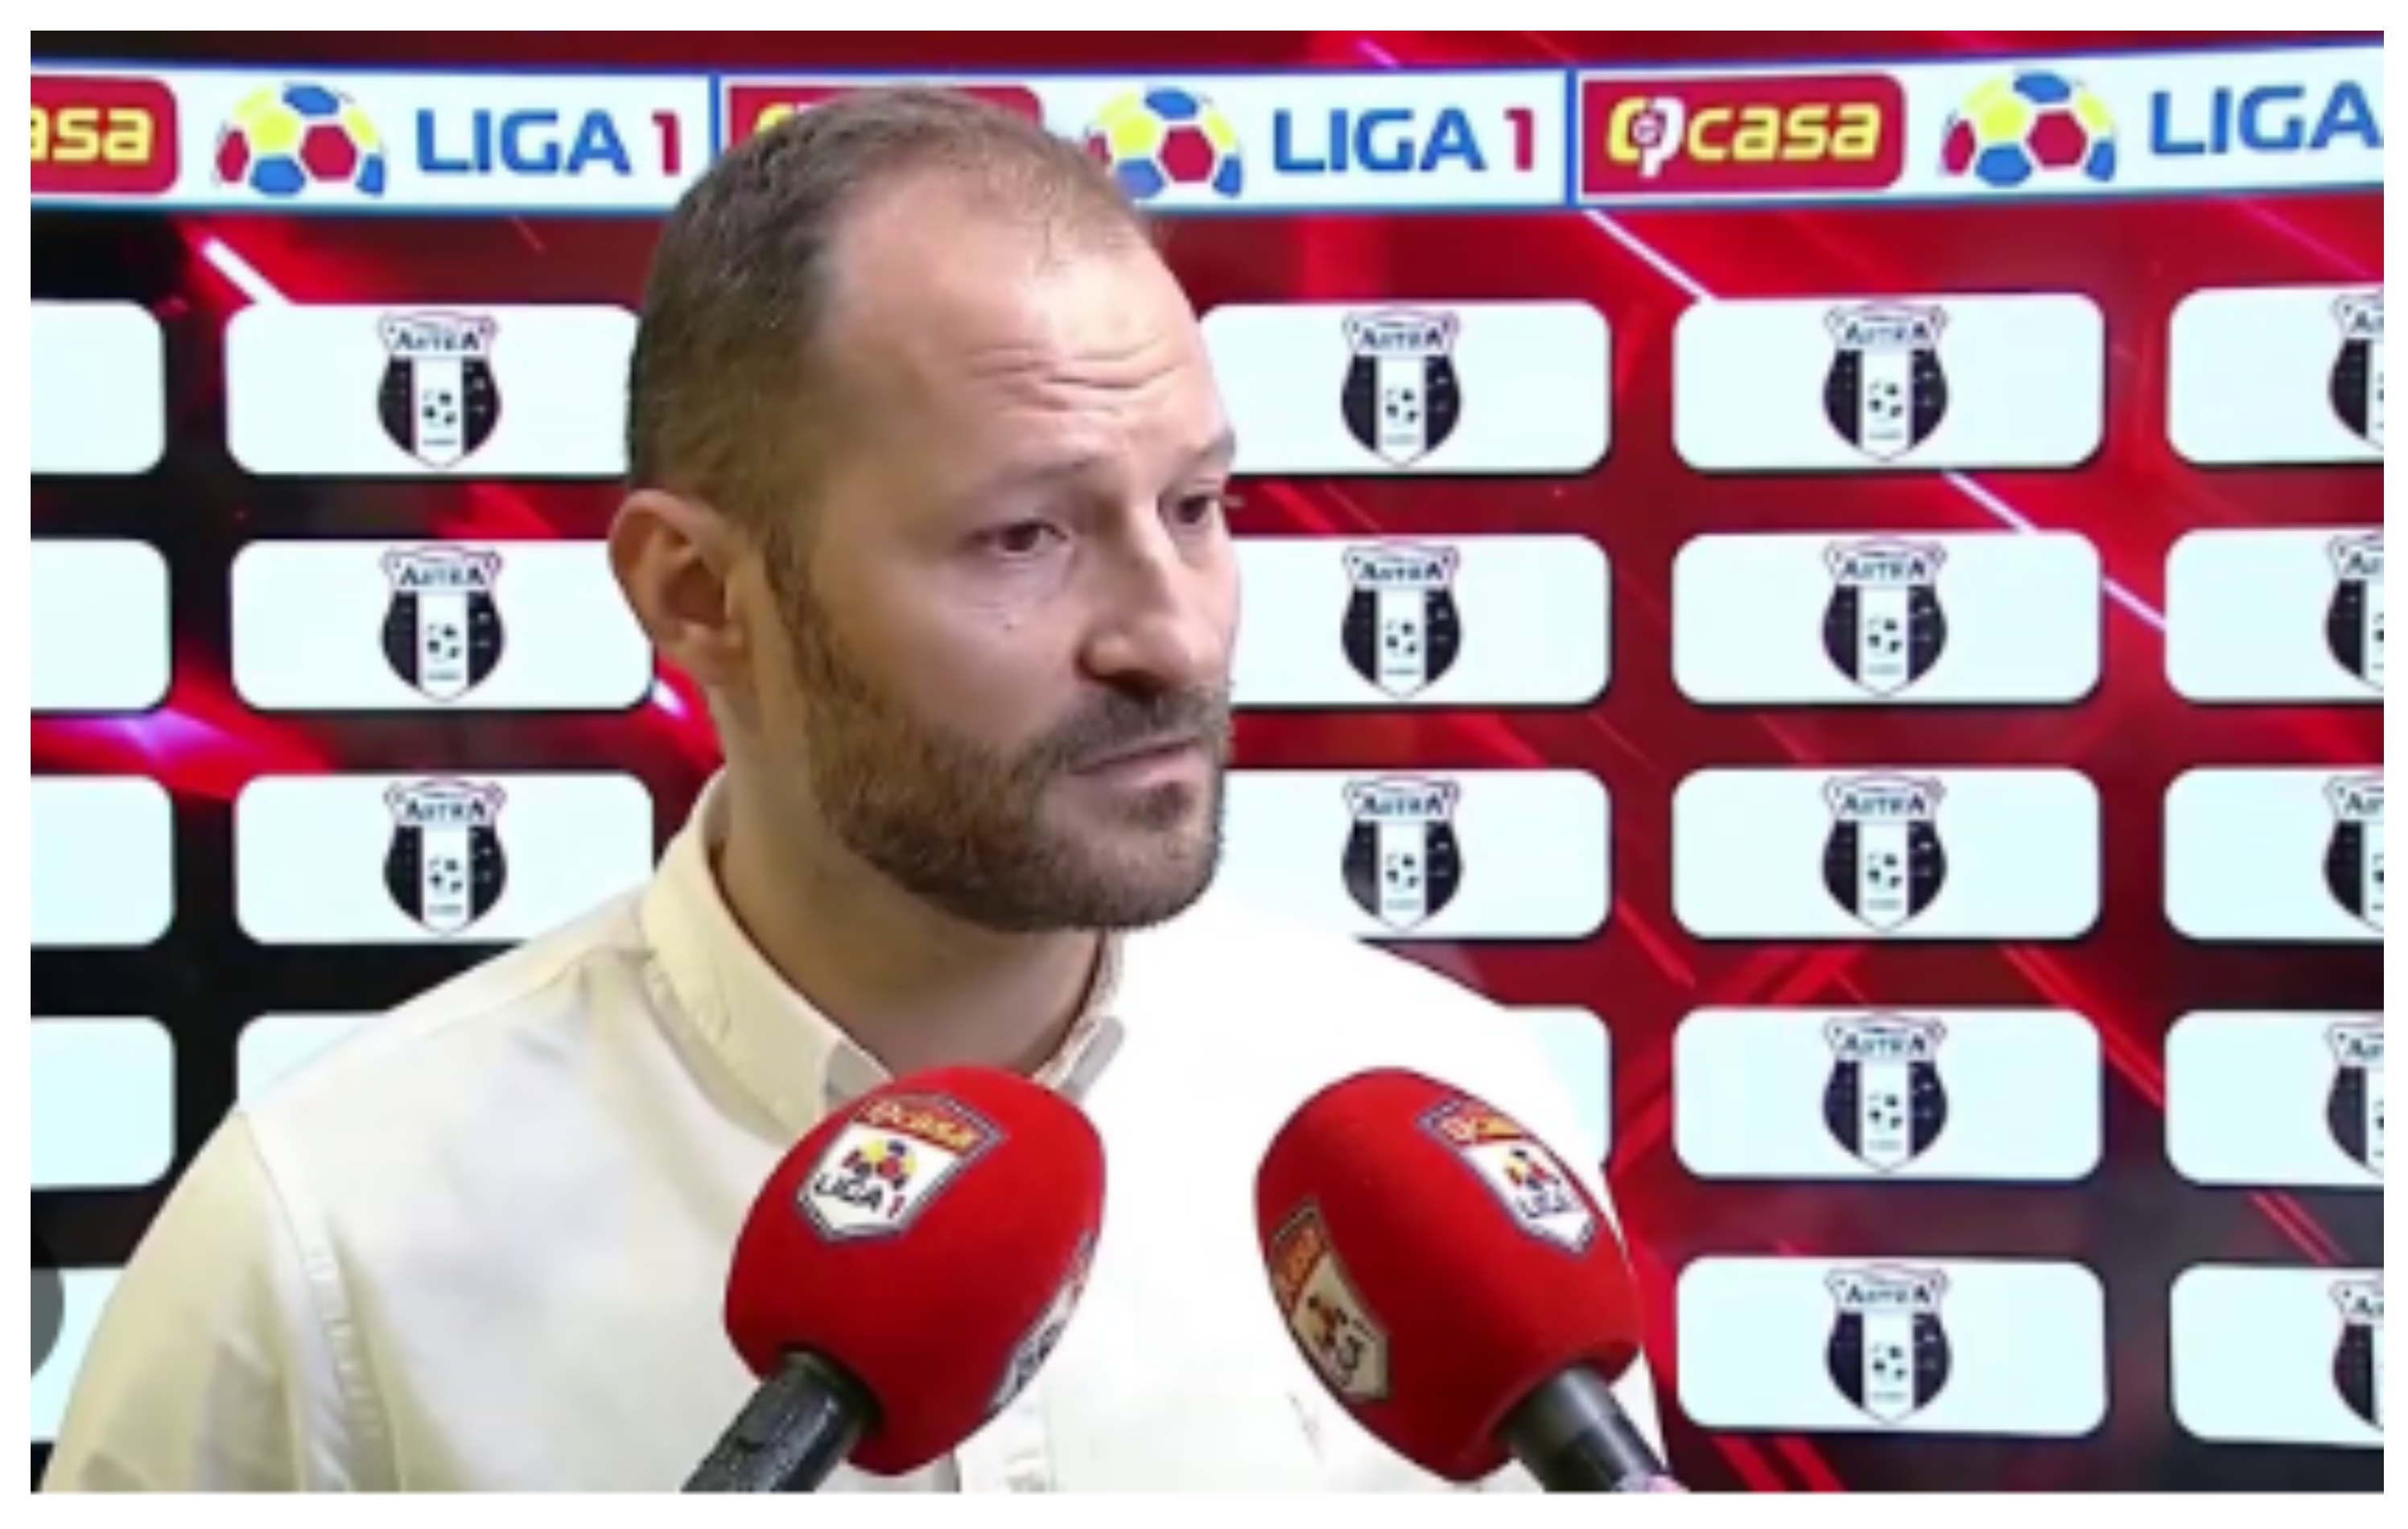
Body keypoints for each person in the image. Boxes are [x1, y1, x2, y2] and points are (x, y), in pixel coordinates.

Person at [44, 86, 1665, 1493]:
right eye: (1024, 535)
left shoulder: (1451, 1126)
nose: (1173, 635)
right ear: (697, 595)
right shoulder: (324, 1241)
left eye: (1197, 506)